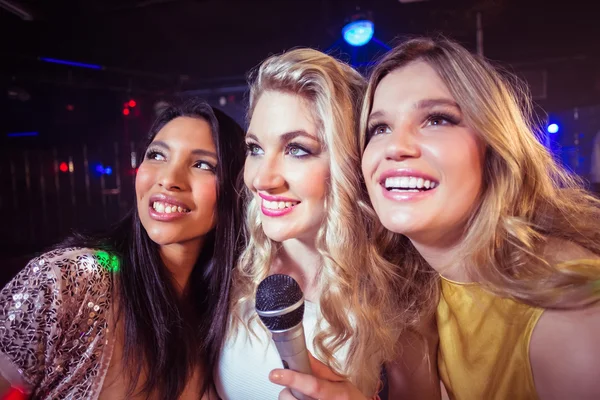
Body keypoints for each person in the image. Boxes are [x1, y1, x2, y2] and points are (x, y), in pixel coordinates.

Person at [361, 37, 600, 399]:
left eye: (436, 119)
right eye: (379, 128)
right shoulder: (416, 283)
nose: (396, 146)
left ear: (493, 147)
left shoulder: (572, 312)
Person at [0, 99, 246, 399]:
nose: (169, 180)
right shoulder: (72, 279)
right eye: (157, 155)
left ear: (237, 189)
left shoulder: (224, 317)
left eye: (203, 165)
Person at [216, 48, 422, 400]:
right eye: (255, 148)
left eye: (297, 149)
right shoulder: (227, 269)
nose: (262, 179)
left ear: (349, 164)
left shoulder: (403, 302)